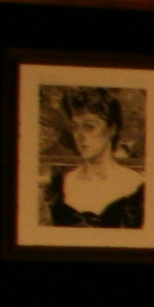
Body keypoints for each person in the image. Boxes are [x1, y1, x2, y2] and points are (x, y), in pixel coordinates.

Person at [39, 89, 144, 228]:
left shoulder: (135, 185)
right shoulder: (59, 186)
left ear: (111, 129)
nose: (80, 136)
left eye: (89, 127)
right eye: (75, 126)